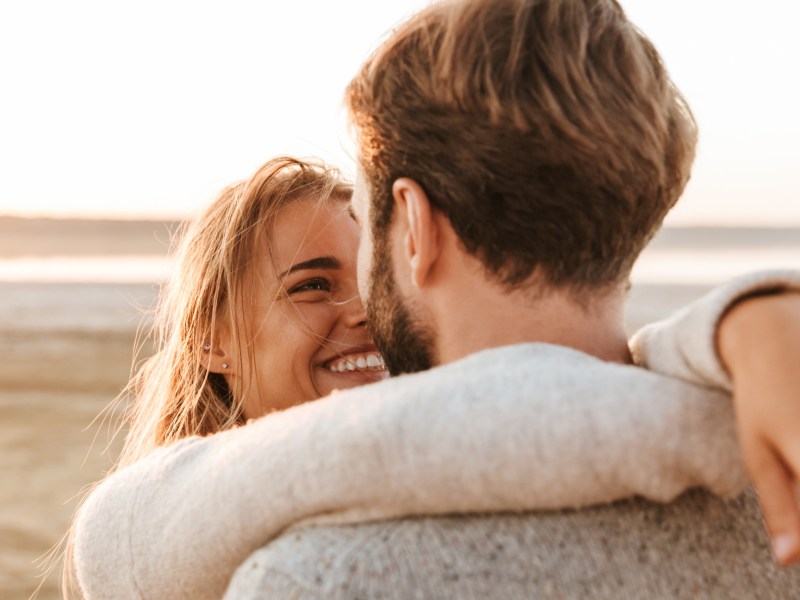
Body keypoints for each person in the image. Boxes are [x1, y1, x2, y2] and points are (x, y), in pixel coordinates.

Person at [69, 3, 800, 597]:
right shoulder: (770, 501)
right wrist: (745, 323)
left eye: (372, 226)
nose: (358, 299)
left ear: (414, 225)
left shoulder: (324, 579)